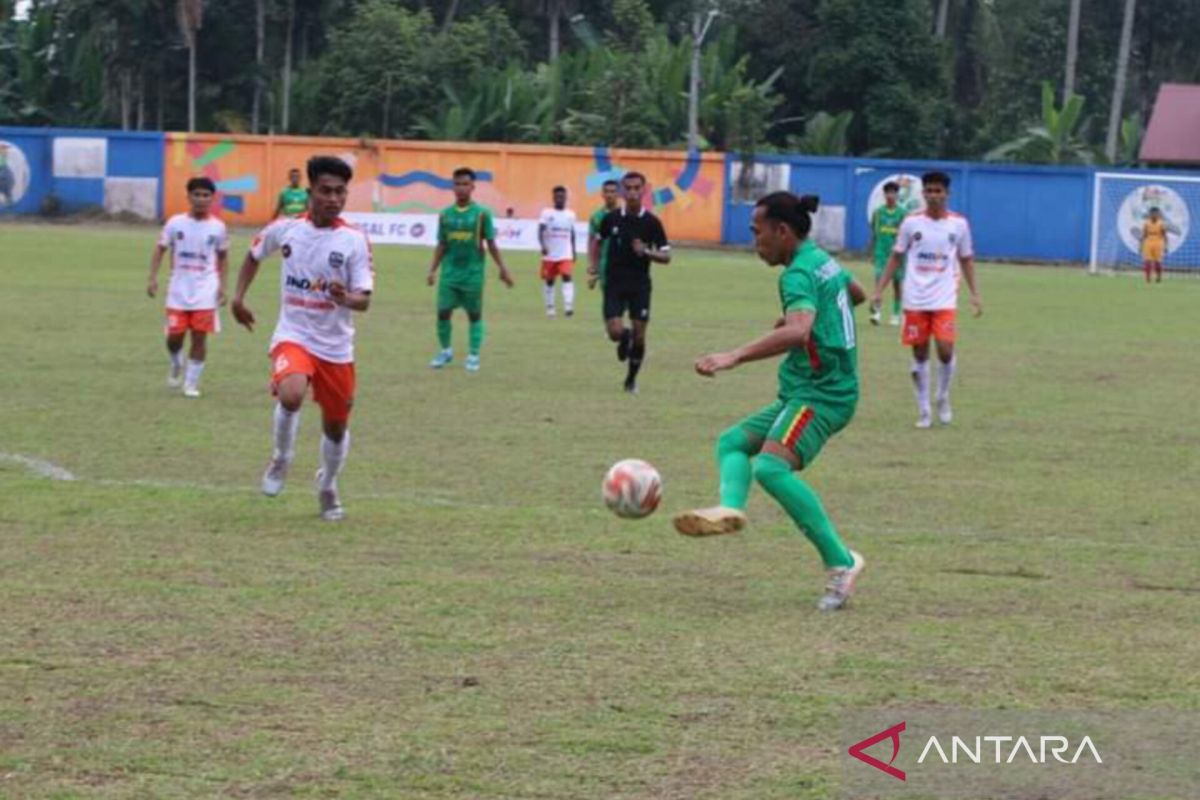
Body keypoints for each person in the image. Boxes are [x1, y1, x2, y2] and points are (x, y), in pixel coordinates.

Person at [673, 192, 866, 612]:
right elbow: (857, 292)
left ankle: (842, 561)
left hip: (822, 394)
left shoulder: (796, 273)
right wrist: (816, 317)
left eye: (757, 233)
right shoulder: (822, 259)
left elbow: (798, 333)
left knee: (770, 468)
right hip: (809, 389)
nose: (754, 242)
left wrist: (734, 356)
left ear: (782, 231)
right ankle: (730, 510)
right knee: (732, 443)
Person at [230, 156, 374, 522]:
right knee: (291, 393)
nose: (333, 198)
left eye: (340, 192)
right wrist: (238, 298)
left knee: (336, 425)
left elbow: (365, 300)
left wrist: (346, 298)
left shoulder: (354, 240)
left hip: (336, 348)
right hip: (293, 335)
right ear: (310, 192)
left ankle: (327, 484)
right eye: (325, 191)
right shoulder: (286, 229)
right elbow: (253, 255)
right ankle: (281, 459)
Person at [873, 171, 982, 429]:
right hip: (915, 297)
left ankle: (942, 397)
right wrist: (879, 290)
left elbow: (966, 259)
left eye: (938, 191)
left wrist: (975, 293)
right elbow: (896, 256)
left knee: (945, 350)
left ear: (947, 194)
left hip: (944, 297)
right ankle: (923, 409)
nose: (933, 196)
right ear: (923, 194)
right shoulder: (911, 223)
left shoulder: (959, 224)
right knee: (920, 353)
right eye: (929, 191)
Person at [145, 176, 229, 398]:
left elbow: (223, 257)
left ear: (212, 198)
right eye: (197, 194)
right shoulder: (175, 223)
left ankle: (190, 384)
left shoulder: (218, 227)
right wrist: (152, 278)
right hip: (178, 289)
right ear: (188, 196)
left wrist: (222, 286)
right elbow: (160, 249)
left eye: (206, 195)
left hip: (205, 290)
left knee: (200, 336)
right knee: (175, 337)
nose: (201, 199)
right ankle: (176, 362)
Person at [427, 167, 515, 372]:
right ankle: (446, 351)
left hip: (472, 275)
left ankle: (473, 355)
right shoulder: (445, 215)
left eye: (465, 184)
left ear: (473, 187)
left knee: (474, 315)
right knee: (443, 313)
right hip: (449, 275)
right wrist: (432, 269)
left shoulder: (482, 214)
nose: (461, 188)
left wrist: (503, 268)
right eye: (457, 184)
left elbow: (491, 243)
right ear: (452, 187)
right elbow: (442, 244)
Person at [596, 172, 670, 394]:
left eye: (636, 188)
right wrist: (593, 265)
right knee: (615, 332)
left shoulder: (652, 222)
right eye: (627, 188)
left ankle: (631, 379)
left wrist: (646, 252)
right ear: (621, 191)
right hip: (614, 283)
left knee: (640, 335)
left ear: (644, 190)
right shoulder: (611, 219)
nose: (632, 192)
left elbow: (666, 257)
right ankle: (624, 337)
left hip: (639, 285)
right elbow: (597, 242)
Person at [868, 181, 906, 326]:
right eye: (888, 192)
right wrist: (871, 251)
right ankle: (876, 313)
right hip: (881, 254)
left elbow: (906, 236)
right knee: (879, 284)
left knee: (897, 284)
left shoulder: (902, 214)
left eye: (893, 192)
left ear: (897, 195)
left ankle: (896, 314)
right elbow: (873, 233)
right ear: (884, 195)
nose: (890, 195)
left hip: (897, 255)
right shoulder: (878, 213)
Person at [539, 186, 578, 318]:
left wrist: (574, 250)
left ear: (566, 198)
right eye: (557, 196)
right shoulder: (546, 213)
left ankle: (568, 307)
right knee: (550, 281)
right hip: (550, 254)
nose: (560, 199)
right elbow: (540, 231)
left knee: (567, 276)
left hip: (565, 254)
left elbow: (572, 233)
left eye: (562, 196)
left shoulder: (570, 215)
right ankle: (550, 308)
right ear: (553, 198)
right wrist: (543, 245)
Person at [587, 179, 621, 292]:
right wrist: (592, 266)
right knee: (610, 302)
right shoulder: (596, 217)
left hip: (625, 265)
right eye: (607, 191)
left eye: (613, 191)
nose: (609, 195)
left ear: (618, 193)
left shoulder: (626, 215)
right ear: (602, 194)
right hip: (605, 265)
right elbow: (592, 242)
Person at [1139, 207, 1167, 283]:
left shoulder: (1161, 223)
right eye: (1152, 213)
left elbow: (1165, 235)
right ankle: (1148, 278)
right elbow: (1144, 234)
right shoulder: (1146, 223)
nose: (1154, 215)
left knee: (1158, 262)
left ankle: (1159, 277)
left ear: (1158, 214)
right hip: (1148, 242)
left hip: (1158, 243)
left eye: (1156, 213)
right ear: (1150, 214)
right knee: (1147, 261)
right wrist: (1140, 245)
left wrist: (1166, 246)